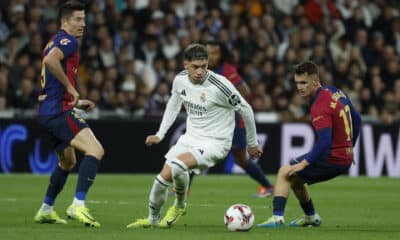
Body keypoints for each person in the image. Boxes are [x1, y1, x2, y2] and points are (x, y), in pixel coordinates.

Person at [126, 43, 262, 228]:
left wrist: (252, 143)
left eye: (204, 66)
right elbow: (173, 105)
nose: (200, 72)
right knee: (160, 179)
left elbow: (246, 109)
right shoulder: (180, 80)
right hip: (190, 139)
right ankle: (152, 220)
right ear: (186, 65)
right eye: (195, 67)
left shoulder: (220, 85)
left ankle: (179, 205)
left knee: (178, 165)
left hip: (216, 143)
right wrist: (160, 134)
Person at [256, 61, 361, 228]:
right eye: (297, 83)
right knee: (296, 180)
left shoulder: (319, 105)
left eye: (304, 83)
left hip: (333, 156)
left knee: (285, 171)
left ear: (315, 80)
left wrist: (304, 163)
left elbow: (325, 140)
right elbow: (357, 119)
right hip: (343, 155)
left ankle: (277, 218)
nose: (300, 87)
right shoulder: (335, 91)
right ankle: (311, 217)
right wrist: (351, 147)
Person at [34, 1, 103, 227]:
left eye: (84, 19)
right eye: (77, 19)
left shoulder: (53, 41)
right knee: (95, 150)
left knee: (67, 161)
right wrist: (72, 89)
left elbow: (51, 79)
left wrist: (77, 101)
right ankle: (78, 205)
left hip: (46, 111)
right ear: (64, 21)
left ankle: (46, 209)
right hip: (57, 111)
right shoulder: (68, 41)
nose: (83, 24)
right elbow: (50, 60)